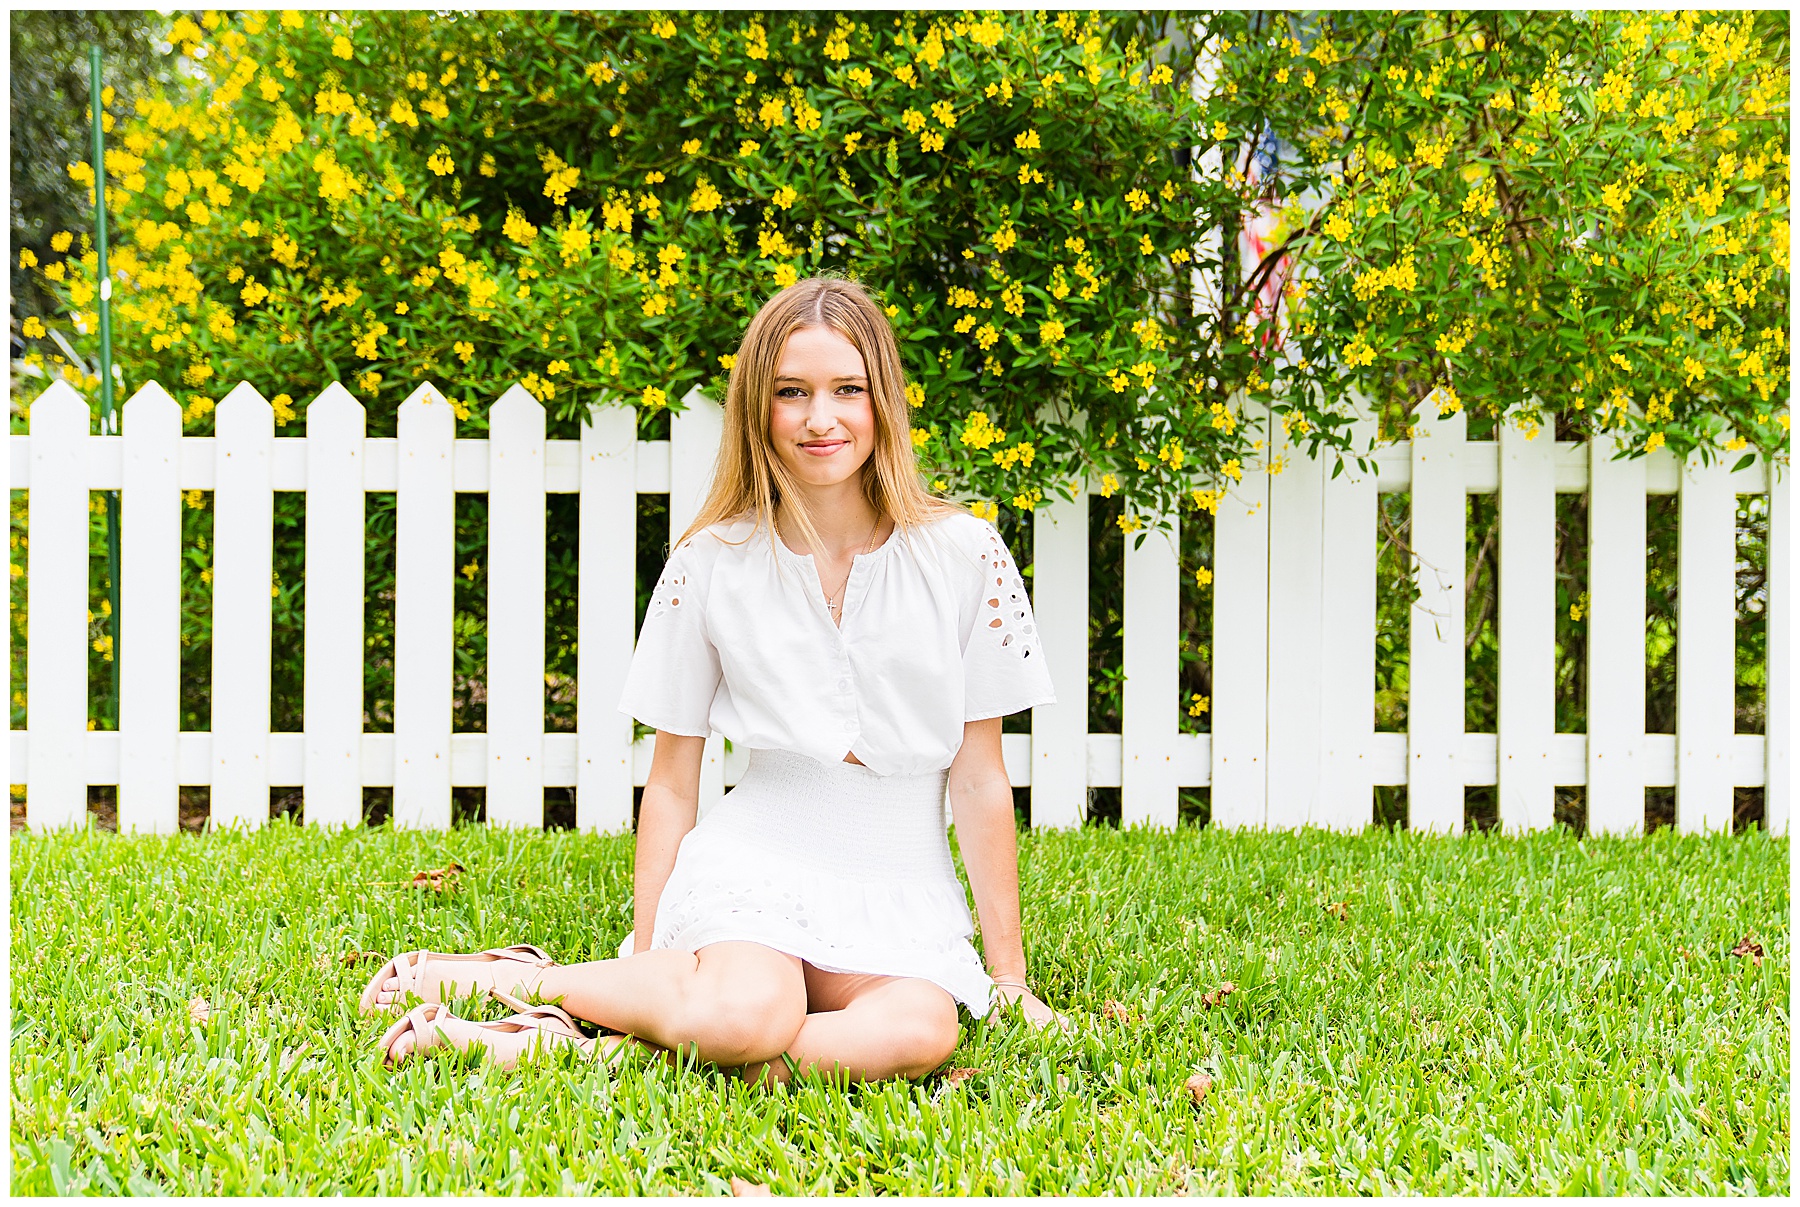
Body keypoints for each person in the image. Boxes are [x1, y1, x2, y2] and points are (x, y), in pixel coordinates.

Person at [365, 274, 1067, 1085]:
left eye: (848, 388)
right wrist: (655, 953)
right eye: (790, 392)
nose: (819, 418)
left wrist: (1008, 980)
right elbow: (671, 780)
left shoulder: (964, 556)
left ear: (885, 400)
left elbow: (980, 778)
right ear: (756, 410)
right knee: (746, 1015)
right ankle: (517, 981)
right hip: (754, 870)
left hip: (901, 893)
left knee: (919, 1030)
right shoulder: (712, 561)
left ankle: (582, 1045)